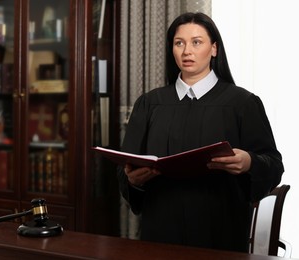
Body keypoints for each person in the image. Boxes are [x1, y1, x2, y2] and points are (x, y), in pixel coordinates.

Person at [117, 12, 284, 253]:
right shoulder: (149, 104)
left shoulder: (243, 103)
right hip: (161, 231)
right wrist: (133, 181)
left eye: (196, 42)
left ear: (214, 49)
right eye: (179, 43)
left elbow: (274, 164)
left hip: (221, 233)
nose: (186, 51)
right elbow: (124, 170)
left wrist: (248, 162)